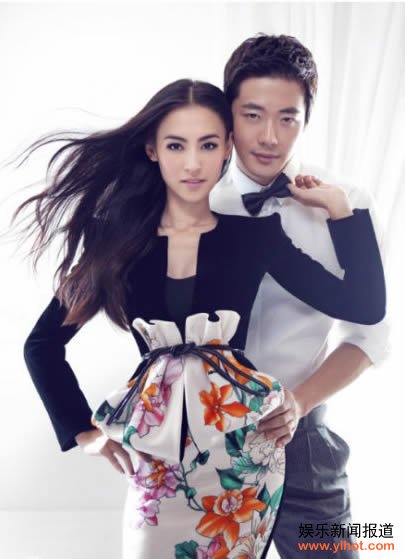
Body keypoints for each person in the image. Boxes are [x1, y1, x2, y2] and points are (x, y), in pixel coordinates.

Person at [18, 79, 385, 559]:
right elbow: (42, 345)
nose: (193, 163)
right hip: (158, 470)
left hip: (248, 461)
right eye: (176, 146)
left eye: (208, 145)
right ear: (152, 150)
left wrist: (340, 210)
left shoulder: (254, 237)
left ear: (227, 147)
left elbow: (364, 308)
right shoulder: (116, 240)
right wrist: (83, 432)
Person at [210, 34, 390, 558]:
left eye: (287, 118)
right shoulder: (195, 197)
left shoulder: (348, 203)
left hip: (305, 446)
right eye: (253, 115)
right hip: (206, 440)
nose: (269, 137)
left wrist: (299, 402)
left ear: (306, 119)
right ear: (229, 116)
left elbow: (371, 336)